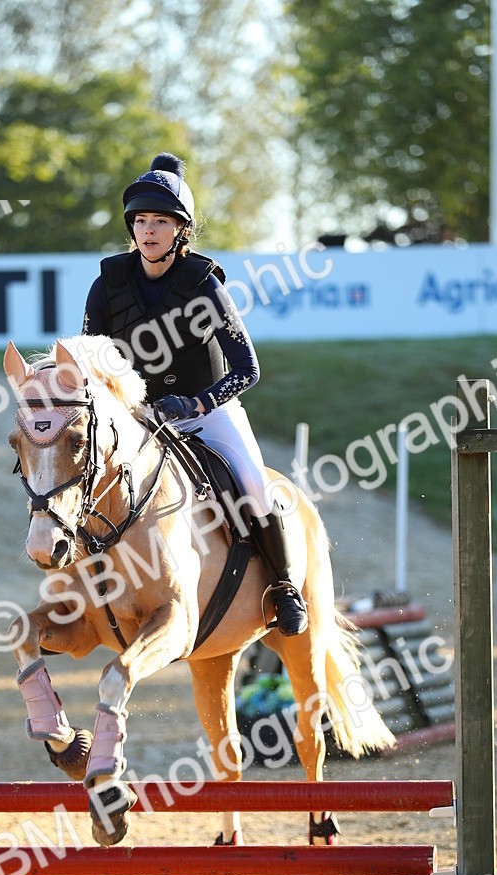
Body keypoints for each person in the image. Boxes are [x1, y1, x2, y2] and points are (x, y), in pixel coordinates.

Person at [82, 152, 308, 637]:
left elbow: (247, 368)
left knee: (252, 482)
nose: (148, 230)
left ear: (180, 231)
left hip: (208, 411)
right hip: (140, 417)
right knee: (84, 478)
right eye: (141, 220)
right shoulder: (107, 284)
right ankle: (82, 591)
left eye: (160, 221)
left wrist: (199, 403)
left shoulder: (204, 284)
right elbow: (92, 363)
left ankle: (284, 586)